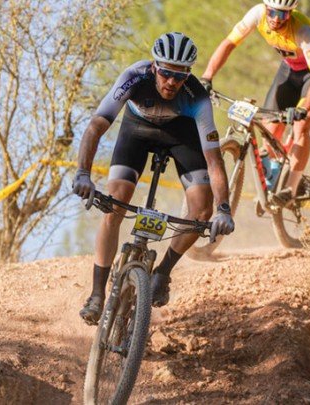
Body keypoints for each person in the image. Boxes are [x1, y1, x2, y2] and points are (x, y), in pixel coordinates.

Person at [73, 32, 235, 325]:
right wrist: (83, 173)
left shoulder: (197, 96)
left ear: (188, 75)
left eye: (180, 76)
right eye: (166, 73)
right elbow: (96, 126)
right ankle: (97, 294)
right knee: (115, 204)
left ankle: (163, 272)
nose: (172, 81)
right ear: (154, 67)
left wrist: (223, 208)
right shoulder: (134, 77)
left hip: (180, 134)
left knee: (202, 210)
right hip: (136, 130)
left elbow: (214, 159)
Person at [200, 0, 310, 206]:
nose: (275, 19)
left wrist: (302, 109)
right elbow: (229, 43)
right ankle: (277, 171)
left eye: (282, 15)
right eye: (272, 12)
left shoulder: (303, 30)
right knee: (269, 131)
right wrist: (207, 77)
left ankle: (290, 188)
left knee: (301, 126)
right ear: (266, 8)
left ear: (291, 13)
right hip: (290, 70)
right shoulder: (257, 14)